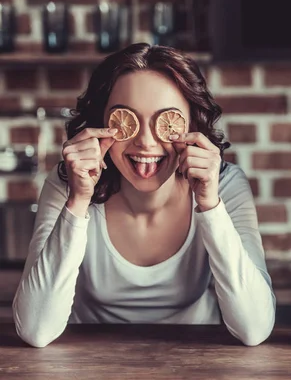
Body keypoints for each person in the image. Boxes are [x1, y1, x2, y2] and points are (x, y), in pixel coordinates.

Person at [13, 43, 275, 347]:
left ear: (193, 124)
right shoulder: (67, 183)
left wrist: (209, 205)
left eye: (167, 122)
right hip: (89, 363)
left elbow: (254, 329)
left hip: (197, 362)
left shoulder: (225, 185)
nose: (146, 142)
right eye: (125, 120)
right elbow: (35, 330)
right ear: (101, 124)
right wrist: (78, 201)